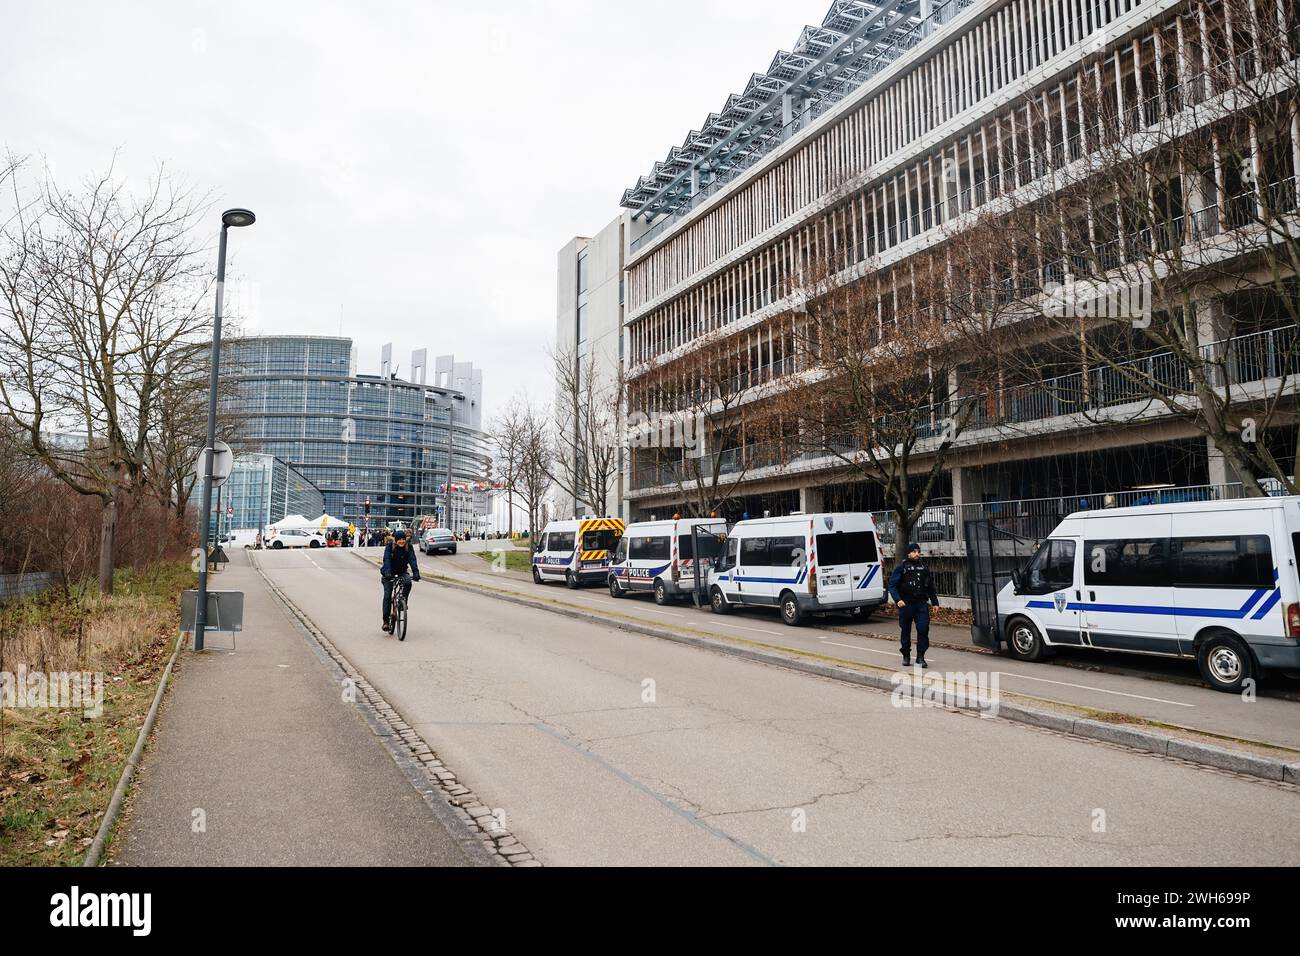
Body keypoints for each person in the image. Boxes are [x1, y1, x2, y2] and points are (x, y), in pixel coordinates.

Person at [887, 542, 939, 668]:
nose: (917, 554)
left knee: (923, 629)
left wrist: (935, 602)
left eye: (918, 552)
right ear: (909, 553)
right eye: (914, 552)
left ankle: (920, 657)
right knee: (906, 630)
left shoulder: (924, 567)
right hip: (906, 604)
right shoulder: (902, 567)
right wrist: (898, 599)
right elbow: (892, 586)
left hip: (921, 604)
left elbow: (930, 586)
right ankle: (906, 654)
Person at [380, 528, 420, 631]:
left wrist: (416, 572)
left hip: (402, 571)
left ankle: (403, 602)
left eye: (403, 539)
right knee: (387, 596)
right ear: (395, 540)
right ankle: (385, 621)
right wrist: (388, 573)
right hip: (388, 573)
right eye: (399, 539)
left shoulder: (408, 547)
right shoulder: (390, 547)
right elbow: (387, 560)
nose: (401, 541)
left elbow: (412, 559)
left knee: (408, 582)